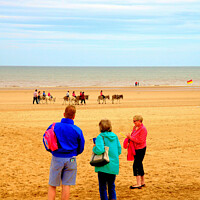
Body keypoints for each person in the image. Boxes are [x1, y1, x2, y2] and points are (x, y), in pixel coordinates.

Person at [45, 105, 85, 200]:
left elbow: (46, 140)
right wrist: (74, 153)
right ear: (74, 116)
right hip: (71, 158)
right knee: (66, 185)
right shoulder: (77, 130)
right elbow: (81, 147)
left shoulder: (54, 126)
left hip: (57, 157)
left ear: (64, 114)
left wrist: (51, 150)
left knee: (52, 185)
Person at [93, 119, 121, 200]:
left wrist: (94, 148)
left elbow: (100, 150)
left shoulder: (100, 137)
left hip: (103, 165)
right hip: (113, 166)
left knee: (103, 187)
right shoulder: (115, 136)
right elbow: (119, 150)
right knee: (112, 186)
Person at [126, 115, 147, 189]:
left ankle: (138, 183)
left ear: (139, 121)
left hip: (141, 149)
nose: (133, 122)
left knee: (136, 165)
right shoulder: (135, 128)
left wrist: (130, 138)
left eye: (135, 121)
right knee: (139, 164)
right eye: (133, 121)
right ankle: (142, 182)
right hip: (135, 148)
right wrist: (129, 137)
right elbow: (133, 136)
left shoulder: (143, 129)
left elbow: (141, 141)